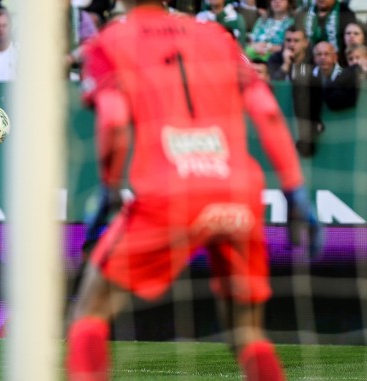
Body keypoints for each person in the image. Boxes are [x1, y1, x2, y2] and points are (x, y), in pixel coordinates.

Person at [66, 1, 320, 380]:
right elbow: (266, 110)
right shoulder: (215, 36)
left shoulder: (109, 42)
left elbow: (115, 120)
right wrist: (294, 189)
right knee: (247, 333)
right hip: (237, 193)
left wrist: (110, 187)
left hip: (169, 191)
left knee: (89, 314)